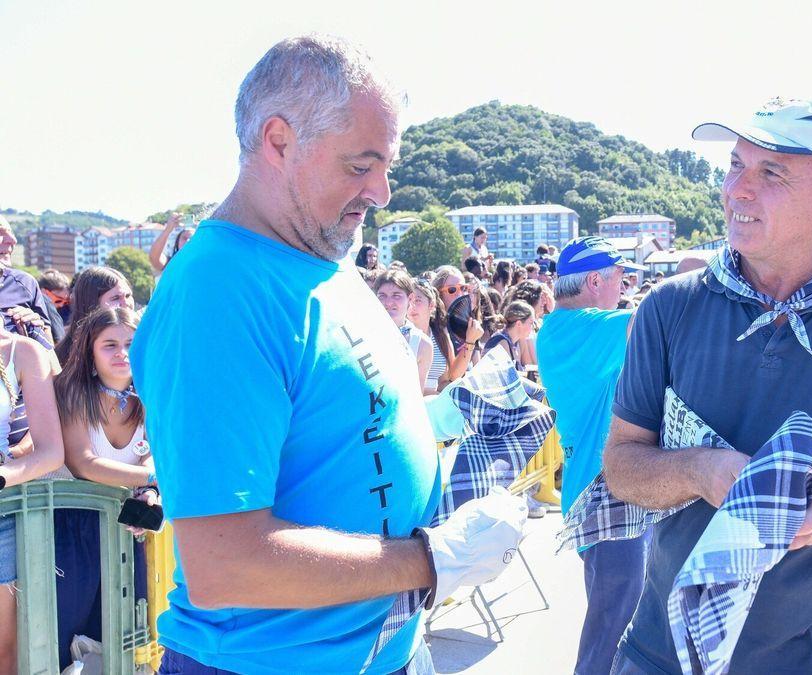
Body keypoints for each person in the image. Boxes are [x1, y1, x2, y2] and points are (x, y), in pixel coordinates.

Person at [129, 36, 524, 674]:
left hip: (374, 649)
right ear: (279, 141)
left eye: (387, 164)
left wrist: (437, 419)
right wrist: (432, 560)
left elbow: (340, 416)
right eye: (361, 164)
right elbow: (224, 564)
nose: (383, 190)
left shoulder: (320, 253)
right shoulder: (219, 291)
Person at [603, 98, 812, 673]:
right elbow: (622, 466)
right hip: (664, 650)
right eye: (735, 164)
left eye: (771, 173)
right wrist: (699, 471)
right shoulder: (668, 309)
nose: (738, 189)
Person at [537, 236, 645, 675]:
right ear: (596, 280)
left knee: (618, 624)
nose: (625, 287)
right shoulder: (578, 327)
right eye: (621, 277)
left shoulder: (562, 328)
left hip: (598, 493)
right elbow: (650, 321)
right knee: (610, 632)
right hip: (605, 497)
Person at [50, 307, 156, 669]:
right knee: (65, 635)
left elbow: (150, 458)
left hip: (128, 527)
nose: (122, 352)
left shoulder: (151, 392)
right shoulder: (72, 392)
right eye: (109, 344)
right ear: (90, 354)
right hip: (72, 528)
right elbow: (83, 463)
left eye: (129, 342)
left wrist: (152, 490)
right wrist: (152, 480)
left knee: (125, 636)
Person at [0, 319, 65, 675]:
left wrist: (2, 477)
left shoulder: (23, 351)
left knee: (3, 653)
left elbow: (51, 451)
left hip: (2, 510)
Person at [0, 215, 63, 345]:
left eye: (11, 233)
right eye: (0, 233)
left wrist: (35, 332)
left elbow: (50, 354)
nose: (13, 240)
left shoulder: (24, 283)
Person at [54, 266, 135, 364]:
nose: (126, 303)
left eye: (128, 296)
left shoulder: (142, 338)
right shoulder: (65, 357)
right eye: (115, 298)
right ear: (92, 303)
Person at [371, 270, 433, 390]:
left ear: (410, 299)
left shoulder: (422, 344)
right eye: (382, 296)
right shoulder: (363, 334)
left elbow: (416, 395)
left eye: (396, 295)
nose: (388, 302)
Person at [407, 280, 453, 395]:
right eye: (409, 300)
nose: (412, 306)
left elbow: (443, 381)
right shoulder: (402, 336)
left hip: (434, 408)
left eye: (417, 300)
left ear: (431, 305)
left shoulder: (440, 336)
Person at [482, 301, 535, 372]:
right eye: (531, 323)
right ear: (519, 324)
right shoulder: (502, 342)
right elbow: (505, 378)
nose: (533, 327)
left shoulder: (514, 343)